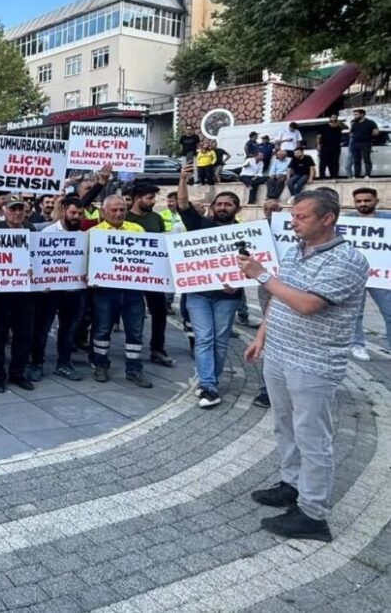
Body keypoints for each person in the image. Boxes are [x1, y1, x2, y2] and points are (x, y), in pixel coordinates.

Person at [241, 190, 368, 542]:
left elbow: (309, 304)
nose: (293, 222)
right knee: (285, 426)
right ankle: (291, 485)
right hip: (280, 353)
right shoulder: (297, 250)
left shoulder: (347, 259)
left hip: (314, 361)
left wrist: (263, 276)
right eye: (293, 216)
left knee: (313, 437)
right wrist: (262, 335)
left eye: (301, 217)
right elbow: (281, 301)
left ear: (327, 219)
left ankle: (313, 514)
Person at [176, 163, 244, 408]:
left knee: (221, 340)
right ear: (213, 207)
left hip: (228, 296)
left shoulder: (246, 232)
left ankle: (209, 381)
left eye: (228, 204)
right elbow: (183, 205)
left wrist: (237, 285)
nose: (223, 207)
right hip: (199, 294)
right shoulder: (201, 225)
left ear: (237, 208)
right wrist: (183, 179)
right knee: (204, 338)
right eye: (219, 204)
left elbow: (254, 264)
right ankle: (208, 385)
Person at [90, 195, 153, 388]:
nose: (118, 213)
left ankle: (134, 369)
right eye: (114, 210)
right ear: (104, 211)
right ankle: (101, 365)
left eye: (122, 210)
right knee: (102, 329)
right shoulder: (93, 233)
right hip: (105, 291)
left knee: (135, 331)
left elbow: (149, 258)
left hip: (133, 291)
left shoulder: (138, 230)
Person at [0, 194, 37, 392]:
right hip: (1, 293)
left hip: (25, 293)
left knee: (24, 334)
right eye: (12, 209)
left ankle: (18, 373)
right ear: (4, 211)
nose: (17, 213)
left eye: (20, 209)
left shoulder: (30, 229)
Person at [31, 197, 87, 381]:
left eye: (80, 214)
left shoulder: (84, 236)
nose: (76, 217)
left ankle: (64, 363)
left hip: (74, 291)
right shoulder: (48, 233)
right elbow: (39, 262)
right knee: (42, 328)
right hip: (49, 292)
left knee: (69, 329)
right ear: (63, 211)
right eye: (73, 213)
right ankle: (36, 363)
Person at [124, 183, 177, 368]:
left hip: (153, 275)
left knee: (159, 311)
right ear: (138, 198)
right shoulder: (124, 217)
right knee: (127, 313)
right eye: (149, 198)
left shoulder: (156, 218)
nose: (153, 202)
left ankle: (157, 348)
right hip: (127, 276)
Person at [349, 187, 391, 361]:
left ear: (376, 201)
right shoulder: (347, 221)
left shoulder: (388, 219)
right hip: (355, 275)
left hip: (381, 275)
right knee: (355, 312)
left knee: (389, 310)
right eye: (359, 201)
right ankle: (357, 344)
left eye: (367, 200)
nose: (363, 204)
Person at [348, 109, 380, 179]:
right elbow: (351, 133)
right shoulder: (355, 123)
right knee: (356, 160)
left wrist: (369, 135)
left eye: (356, 114)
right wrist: (352, 134)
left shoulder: (370, 122)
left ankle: (367, 175)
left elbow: (376, 132)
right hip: (355, 144)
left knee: (366, 159)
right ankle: (356, 175)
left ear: (362, 114)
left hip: (365, 143)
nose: (355, 116)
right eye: (354, 115)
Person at [317, 115, 346, 179]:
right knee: (323, 162)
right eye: (332, 117)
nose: (334, 119)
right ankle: (322, 176)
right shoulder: (324, 126)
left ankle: (334, 176)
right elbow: (319, 136)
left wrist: (339, 124)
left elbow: (346, 128)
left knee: (335, 162)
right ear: (330, 118)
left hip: (336, 147)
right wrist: (318, 144)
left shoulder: (339, 126)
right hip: (325, 146)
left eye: (335, 117)